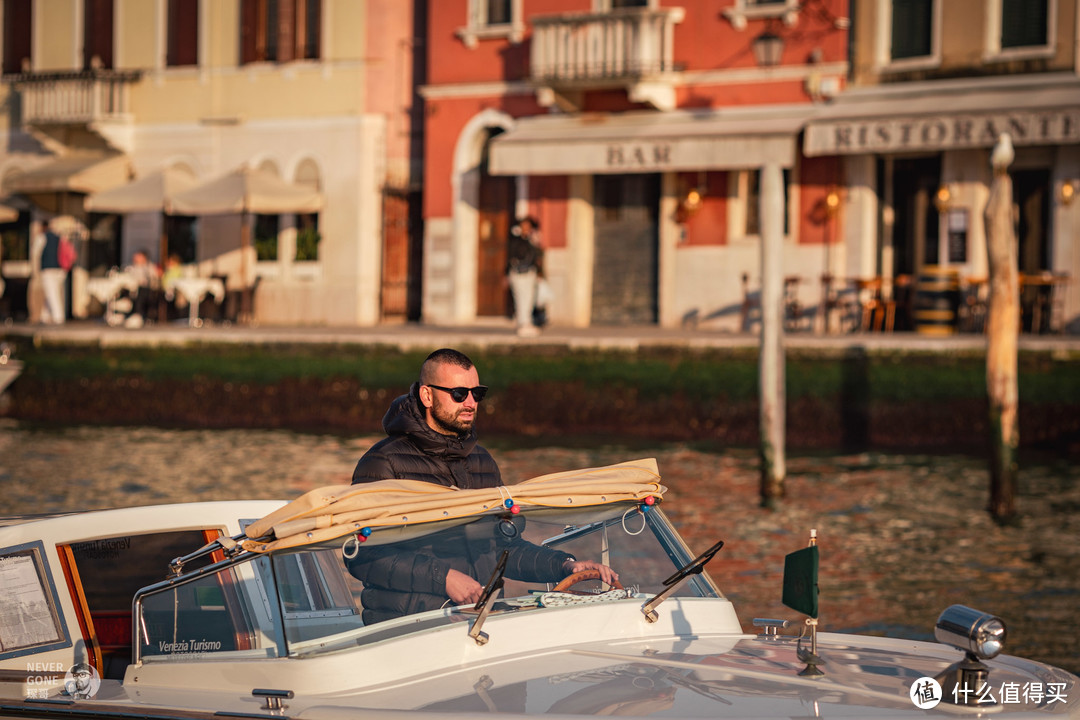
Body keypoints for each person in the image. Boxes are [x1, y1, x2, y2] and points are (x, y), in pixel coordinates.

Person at [348, 348, 616, 623]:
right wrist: (445, 580)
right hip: (404, 631)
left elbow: (503, 548)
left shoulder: (483, 462)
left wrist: (564, 566)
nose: (470, 403)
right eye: (458, 394)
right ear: (427, 395)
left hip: (479, 626)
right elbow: (362, 555)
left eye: (477, 394)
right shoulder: (382, 462)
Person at [505, 216, 544, 337]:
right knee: (521, 299)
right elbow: (513, 254)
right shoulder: (516, 240)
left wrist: (534, 240)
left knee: (529, 300)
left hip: (530, 273)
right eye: (524, 226)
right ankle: (523, 324)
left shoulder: (533, 240)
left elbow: (538, 256)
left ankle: (526, 322)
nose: (526, 229)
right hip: (518, 274)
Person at [123, 248, 161, 328]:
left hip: (146, 290)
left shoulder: (149, 266)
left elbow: (155, 278)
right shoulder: (131, 267)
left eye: (138, 256)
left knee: (142, 290)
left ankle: (138, 315)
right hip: (132, 289)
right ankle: (128, 315)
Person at [38, 225, 67, 325]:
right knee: (51, 293)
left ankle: (58, 317)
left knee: (52, 294)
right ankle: (45, 316)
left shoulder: (42, 237)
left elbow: (35, 252)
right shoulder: (59, 237)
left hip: (48, 270)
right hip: (60, 270)